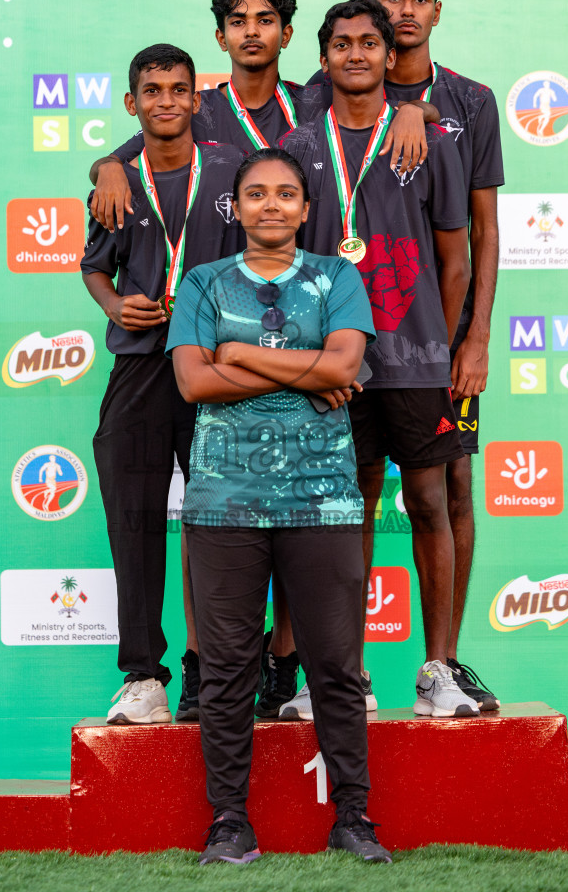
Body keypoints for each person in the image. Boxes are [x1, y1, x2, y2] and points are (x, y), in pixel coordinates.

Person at [85, 0, 437, 723]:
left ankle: (286, 665)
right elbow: (138, 146)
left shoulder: (309, 100)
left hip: (285, 327)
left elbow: (374, 96)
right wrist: (105, 166)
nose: (252, 31)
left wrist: (414, 108)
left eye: (266, 19)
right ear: (221, 36)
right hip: (173, 348)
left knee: (284, 509)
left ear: (286, 32)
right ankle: (177, 672)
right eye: (238, 21)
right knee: (186, 518)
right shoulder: (204, 104)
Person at [167, 147, 391, 865]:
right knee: (228, 669)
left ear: (304, 208)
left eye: (286, 193)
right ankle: (229, 822)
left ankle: (353, 818)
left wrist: (236, 354)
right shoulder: (203, 282)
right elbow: (194, 384)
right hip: (223, 503)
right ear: (236, 208)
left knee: (336, 666)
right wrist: (308, 371)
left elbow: (345, 366)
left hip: (322, 501)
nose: (271, 204)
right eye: (256, 193)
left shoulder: (336, 277)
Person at [280, 0, 477, 719]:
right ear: (323, 59)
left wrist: (439, 345)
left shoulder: (432, 143)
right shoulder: (299, 148)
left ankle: (438, 670)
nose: (356, 54)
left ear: (390, 58)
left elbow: (454, 261)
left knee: (429, 503)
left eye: (369, 43)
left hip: (416, 361)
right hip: (332, 368)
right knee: (346, 513)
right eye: (342, 44)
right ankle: (344, 676)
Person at [80, 43, 245, 724]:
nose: (166, 101)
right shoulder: (116, 183)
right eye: (152, 90)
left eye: (179, 89)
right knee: (133, 518)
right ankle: (143, 675)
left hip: (215, 367)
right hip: (141, 366)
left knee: (223, 523)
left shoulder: (233, 170)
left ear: (196, 99)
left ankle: (213, 672)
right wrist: (116, 306)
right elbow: (95, 267)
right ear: (132, 103)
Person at [367, 0, 505, 709]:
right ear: (373, 6)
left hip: (442, 337)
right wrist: (107, 163)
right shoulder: (337, 85)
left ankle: (441, 665)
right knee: (346, 495)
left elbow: (483, 231)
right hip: (357, 336)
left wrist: (474, 338)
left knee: (453, 484)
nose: (406, 11)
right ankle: (335, 670)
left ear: (438, 11)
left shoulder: (470, 100)